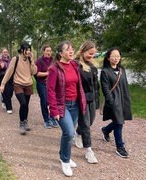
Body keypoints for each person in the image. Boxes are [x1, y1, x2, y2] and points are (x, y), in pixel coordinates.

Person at [47, 41, 86, 177]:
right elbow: (50, 90)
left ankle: (64, 155)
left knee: (69, 133)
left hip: (75, 104)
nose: (71, 51)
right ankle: (65, 160)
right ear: (60, 53)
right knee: (69, 133)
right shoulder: (54, 69)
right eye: (67, 49)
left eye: (72, 49)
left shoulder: (75, 65)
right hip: (61, 105)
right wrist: (54, 110)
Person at [100, 47, 132, 158]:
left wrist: (128, 99)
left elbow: (125, 85)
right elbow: (105, 88)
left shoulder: (122, 70)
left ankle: (105, 130)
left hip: (123, 100)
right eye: (113, 56)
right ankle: (120, 147)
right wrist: (111, 101)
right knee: (119, 123)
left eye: (118, 56)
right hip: (114, 101)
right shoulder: (105, 72)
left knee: (119, 121)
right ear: (108, 58)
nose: (116, 58)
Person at [0, 42, 37, 135]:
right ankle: (21, 123)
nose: (28, 51)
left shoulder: (29, 59)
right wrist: (3, 84)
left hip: (28, 84)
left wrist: (32, 61)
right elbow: (9, 72)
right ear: (21, 50)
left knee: (26, 105)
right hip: (18, 84)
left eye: (29, 50)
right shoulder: (15, 59)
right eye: (27, 49)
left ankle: (25, 121)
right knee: (23, 103)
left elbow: (34, 72)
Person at [73, 40, 99, 164]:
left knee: (91, 121)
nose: (91, 56)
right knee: (86, 124)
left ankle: (78, 133)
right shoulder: (76, 65)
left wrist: (97, 101)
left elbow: (96, 85)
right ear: (83, 51)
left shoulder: (93, 67)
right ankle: (89, 151)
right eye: (89, 53)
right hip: (81, 99)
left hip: (92, 99)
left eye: (93, 54)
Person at [35, 45, 59, 129]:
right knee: (44, 102)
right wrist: (48, 73)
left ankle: (52, 118)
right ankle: (46, 120)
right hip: (42, 84)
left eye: (50, 51)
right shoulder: (39, 61)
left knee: (52, 101)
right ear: (43, 51)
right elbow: (37, 73)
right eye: (47, 51)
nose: (49, 52)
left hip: (52, 84)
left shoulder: (53, 60)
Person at [0, 48, 13, 114]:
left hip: (10, 78)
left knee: (10, 92)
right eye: (4, 52)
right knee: (5, 92)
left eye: (6, 52)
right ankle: (9, 108)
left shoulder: (10, 60)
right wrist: (1, 67)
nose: (5, 53)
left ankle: (4, 101)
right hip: (3, 77)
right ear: (2, 53)